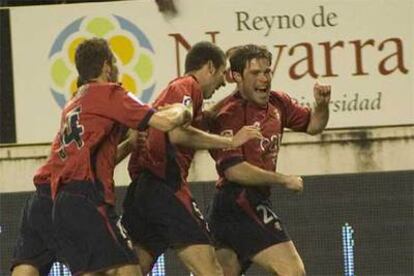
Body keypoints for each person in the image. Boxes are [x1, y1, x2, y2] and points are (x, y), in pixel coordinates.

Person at [40, 37, 190, 276]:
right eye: (114, 61)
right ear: (106, 66)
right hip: (89, 200)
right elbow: (163, 122)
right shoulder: (109, 93)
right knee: (129, 269)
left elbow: (91, 160)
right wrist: (183, 110)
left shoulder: (74, 103)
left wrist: (129, 145)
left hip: (63, 205)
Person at [122, 41, 262, 276]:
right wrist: (230, 141)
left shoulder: (175, 93)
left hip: (141, 192)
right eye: (220, 74)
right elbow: (177, 133)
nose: (222, 82)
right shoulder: (187, 86)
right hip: (164, 186)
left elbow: (196, 122)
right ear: (209, 67)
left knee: (135, 270)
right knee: (212, 270)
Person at [207, 44, 331, 276]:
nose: (264, 79)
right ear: (236, 77)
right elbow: (233, 171)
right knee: (293, 272)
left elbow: (314, 125)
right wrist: (283, 179)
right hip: (238, 201)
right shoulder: (228, 114)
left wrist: (322, 105)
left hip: (239, 205)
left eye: (267, 72)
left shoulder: (278, 102)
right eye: (255, 73)